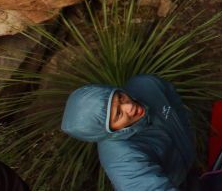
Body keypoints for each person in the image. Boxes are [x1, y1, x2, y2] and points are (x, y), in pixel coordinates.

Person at [60, 74, 197, 191]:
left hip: (188, 161)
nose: (130, 106)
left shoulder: (146, 85)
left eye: (120, 98)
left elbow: (173, 100)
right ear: (109, 130)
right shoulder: (122, 160)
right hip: (172, 181)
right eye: (118, 114)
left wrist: (187, 132)